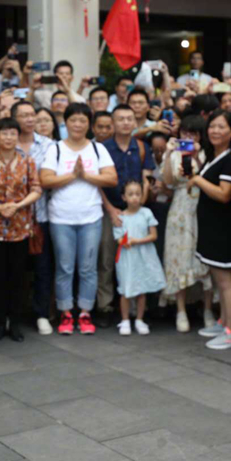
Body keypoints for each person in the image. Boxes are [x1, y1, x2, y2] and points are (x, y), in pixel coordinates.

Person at [40, 103, 117, 335]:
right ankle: (65, 312)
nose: (78, 124)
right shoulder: (56, 148)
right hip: (61, 217)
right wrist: (73, 175)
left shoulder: (97, 148)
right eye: (73, 120)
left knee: (88, 268)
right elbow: (45, 180)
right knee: (64, 267)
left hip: (90, 217)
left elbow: (111, 178)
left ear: (89, 124)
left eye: (83, 120)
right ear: (65, 123)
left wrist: (86, 175)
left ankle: (84, 312)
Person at [0, 118, 41, 342]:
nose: (8, 137)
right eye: (4, 133)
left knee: (18, 278)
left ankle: (15, 323)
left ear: (18, 136)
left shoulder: (27, 161)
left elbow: (36, 189)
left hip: (20, 227)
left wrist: (18, 205)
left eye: (12, 133)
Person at [190, 109, 231, 350]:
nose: (215, 131)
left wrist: (197, 179)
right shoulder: (214, 155)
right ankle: (224, 322)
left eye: (221, 127)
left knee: (227, 280)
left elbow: (224, 194)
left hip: (225, 226)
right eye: (212, 126)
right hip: (211, 225)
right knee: (218, 277)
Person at [96, 105, 154, 328]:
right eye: (120, 119)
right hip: (109, 209)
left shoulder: (142, 147)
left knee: (135, 260)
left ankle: (133, 309)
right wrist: (110, 209)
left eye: (130, 119)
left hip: (136, 212)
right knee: (107, 259)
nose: (126, 123)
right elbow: (97, 183)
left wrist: (139, 207)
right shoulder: (102, 148)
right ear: (113, 123)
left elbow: (146, 179)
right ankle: (105, 305)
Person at [160, 114, 214, 333]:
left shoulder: (207, 153)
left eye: (193, 133)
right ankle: (180, 310)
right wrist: (168, 154)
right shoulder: (174, 152)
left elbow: (209, 177)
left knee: (205, 259)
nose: (188, 137)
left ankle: (208, 308)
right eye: (185, 133)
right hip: (181, 206)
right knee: (178, 257)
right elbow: (168, 182)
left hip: (204, 205)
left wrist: (197, 158)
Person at [12, 101, 55, 335]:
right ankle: (13, 316)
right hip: (12, 217)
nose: (30, 119)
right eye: (24, 115)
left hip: (42, 214)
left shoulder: (49, 145)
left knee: (42, 268)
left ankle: (41, 314)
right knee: (15, 269)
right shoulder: (8, 143)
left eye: (32, 115)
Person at [114, 181, 166, 336]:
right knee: (126, 289)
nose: (135, 197)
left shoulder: (146, 213)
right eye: (130, 194)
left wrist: (137, 240)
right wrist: (124, 241)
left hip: (144, 255)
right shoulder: (120, 217)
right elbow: (118, 238)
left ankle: (139, 319)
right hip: (127, 257)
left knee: (141, 289)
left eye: (138, 194)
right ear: (124, 197)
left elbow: (153, 235)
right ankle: (125, 320)